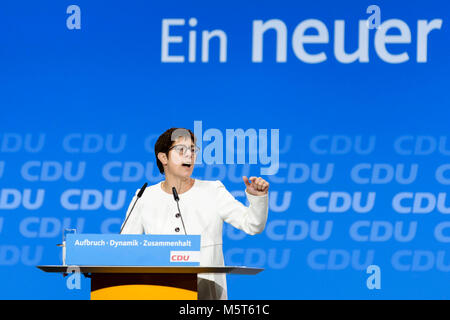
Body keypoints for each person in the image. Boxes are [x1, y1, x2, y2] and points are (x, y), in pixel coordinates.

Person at [120, 127, 269, 300]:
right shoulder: (144, 197)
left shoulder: (213, 191)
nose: (189, 155)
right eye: (181, 150)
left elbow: (252, 224)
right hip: (159, 292)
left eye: (192, 150)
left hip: (206, 296)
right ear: (163, 158)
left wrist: (258, 198)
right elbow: (125, 249)